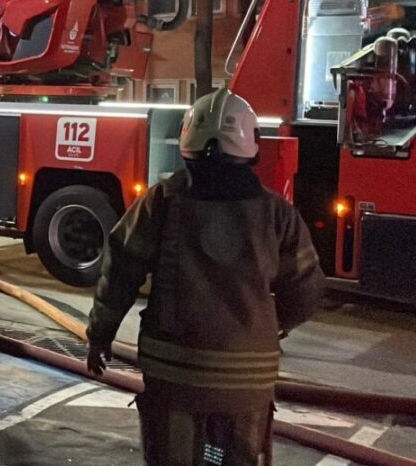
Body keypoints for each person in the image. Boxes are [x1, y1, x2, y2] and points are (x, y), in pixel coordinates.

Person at [85, 88, 326, 465]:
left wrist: (100, 336)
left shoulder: (160, 202)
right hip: (248, 380)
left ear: (187, 140)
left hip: (174, 377)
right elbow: (306, 290)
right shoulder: (278, 214)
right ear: (252, 144)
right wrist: (271, 325)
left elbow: (119, 273)